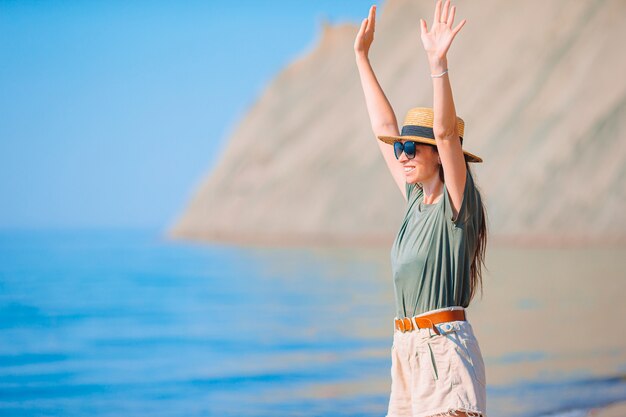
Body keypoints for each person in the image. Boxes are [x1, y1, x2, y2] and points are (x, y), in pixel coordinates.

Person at [354, 1, 488, 416]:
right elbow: (384, 129)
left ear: (438, 157)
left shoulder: (457, 205)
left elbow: (447, 134)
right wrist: (361, 57)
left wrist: (438, 64)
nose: (403, 154)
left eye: (413, 148)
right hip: (406, 351)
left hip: (443, 351)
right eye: (401, 150)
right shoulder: (415, 201)